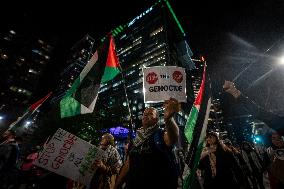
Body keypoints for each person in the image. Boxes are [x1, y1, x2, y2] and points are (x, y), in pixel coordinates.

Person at [114, 98, 180, 189]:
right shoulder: (136, 139)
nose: (145, 115)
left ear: (157, 119)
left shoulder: (160, 135)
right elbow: (128, 163)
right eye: (144, 114)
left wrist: (168, 119)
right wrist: (117, 185)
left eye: (150, 114)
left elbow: (173, 138)